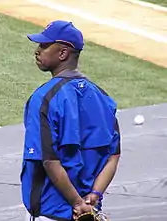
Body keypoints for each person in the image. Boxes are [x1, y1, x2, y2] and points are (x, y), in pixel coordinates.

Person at [20, 20, 121, 221]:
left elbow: (49, 161)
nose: (37, 51)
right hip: (88, 212)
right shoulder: (103, 97)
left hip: (52, 212)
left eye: (44, 45)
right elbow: (113, 156)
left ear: (63, 53)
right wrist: (93, 197)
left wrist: (76, 203)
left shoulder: (43, 99)